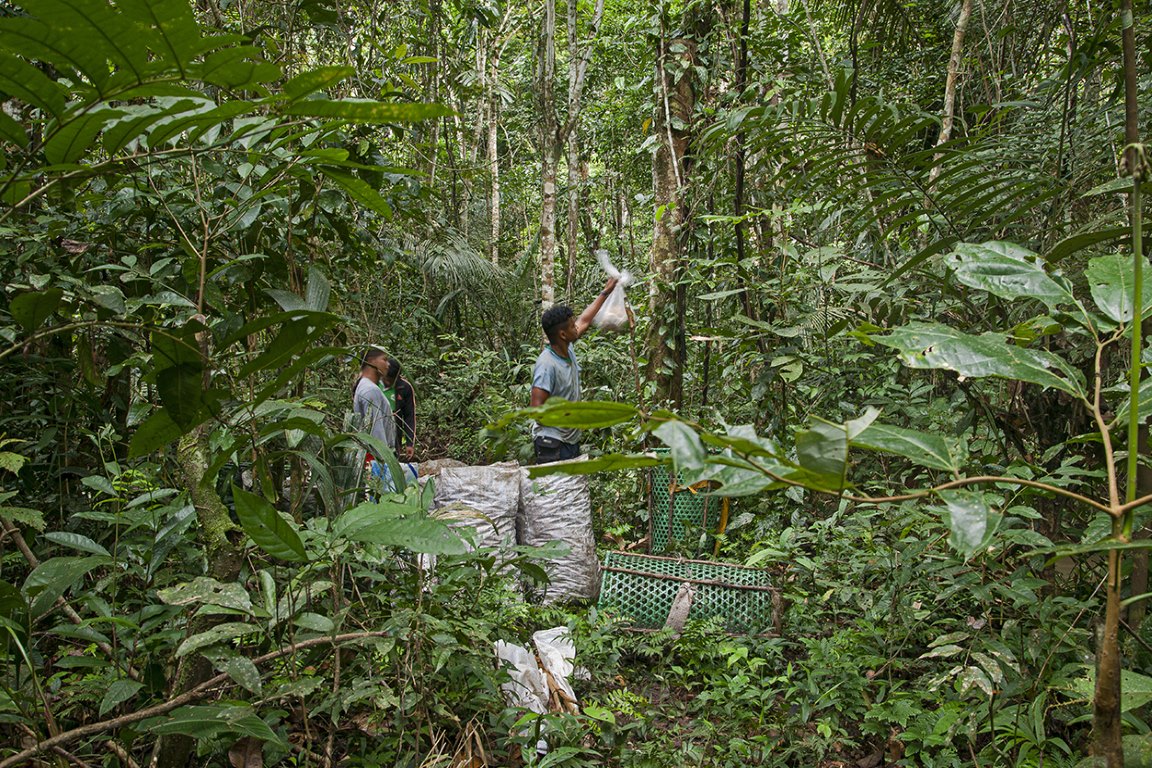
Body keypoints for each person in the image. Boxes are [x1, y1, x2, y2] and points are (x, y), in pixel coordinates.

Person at [530, 278, 618, 463]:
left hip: (568, 440)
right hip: (552, 442)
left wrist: (606, 292)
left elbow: (585, 319)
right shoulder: (547, 365)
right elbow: (536, 411)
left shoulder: (567, 349)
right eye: (572, 326)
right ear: (563, 334)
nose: (576, 327)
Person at [352, 347, 396, 484]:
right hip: (376, 458)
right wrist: (385, 460)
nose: (388, 364)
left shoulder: (364, 385)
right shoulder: (370, 390)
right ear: (371, 361)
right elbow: (376, 430)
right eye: (384, 359)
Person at [381, 357, 417, 461]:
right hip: (375, 429)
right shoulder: (373, 384)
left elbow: (409, 416)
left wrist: (410, 443)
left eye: (391, 380)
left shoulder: (405, 387)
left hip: (394, 434)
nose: (388, 382)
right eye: (386, 379)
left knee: (392, 460)